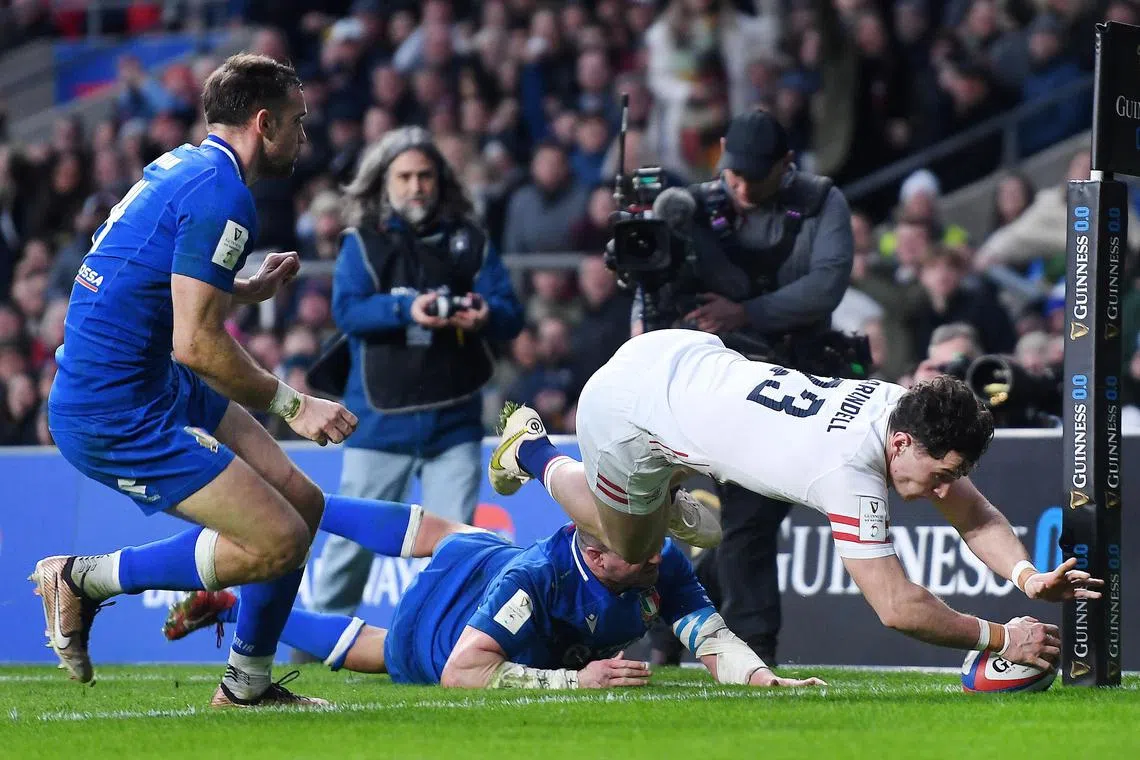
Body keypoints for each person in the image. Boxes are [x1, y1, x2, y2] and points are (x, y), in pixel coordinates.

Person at [30, 53, 383, 709]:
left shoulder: (185, 165)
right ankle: (84, 581)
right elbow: (195, 344)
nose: (303, 137)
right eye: (297, 123)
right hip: (113, 412)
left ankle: (246, 686)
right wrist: (292, 403)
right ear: (262, 121)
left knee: (301, 506)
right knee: (277, 541)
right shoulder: (225, 195)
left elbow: (150, 276)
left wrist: (240, 289)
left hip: (145, 379)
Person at [489, 329, 1102, 668]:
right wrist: (999, 638)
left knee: (657, 522)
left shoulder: (903, 407)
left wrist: (1026, 575)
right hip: (627, 408)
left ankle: (665, 492)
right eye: (942, 473)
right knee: (631, 550)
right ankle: (531, 450)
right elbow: (896, 607)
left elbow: (976, 512)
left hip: (683, 352)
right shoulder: (846, 470)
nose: (945, 490)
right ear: (905, 442)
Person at [630, 108, 862, 664]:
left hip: (796, 384)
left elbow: (826, 286)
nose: (738, 186)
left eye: (752, 178)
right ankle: (696, 634)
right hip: (712, 386)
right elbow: (654, 282)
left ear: (786, 165)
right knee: (735, 524)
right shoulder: (694, 206)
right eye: (731, 173)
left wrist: (746, 312)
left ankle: (736, 639)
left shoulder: (821, 200)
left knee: (747, 520)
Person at [164, 500, 826, 690]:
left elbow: (707, 634)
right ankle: (293, 505)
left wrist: (763, 678)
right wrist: (577, 683)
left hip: (480, 554)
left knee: (459, 536)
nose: (658, 555)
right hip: (447, 634)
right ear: (596, 556)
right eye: (641, 550)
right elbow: (463, 672)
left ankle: (234, 601)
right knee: (390, 650)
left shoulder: (656, 560)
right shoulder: (539, 580)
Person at [306, 126, 524, 626]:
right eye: (403, 176)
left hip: (455, 419)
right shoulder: (361, 242)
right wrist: (409, 308)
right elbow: (349, 312)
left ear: (441, 181)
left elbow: (511, 314)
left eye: (425, 175)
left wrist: (483, 313)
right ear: (384, 183)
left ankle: (447, 642)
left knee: (459, 548)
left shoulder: (471, 241)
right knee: (348, 552)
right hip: (378, 422)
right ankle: (315, 648)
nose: (415, 186)